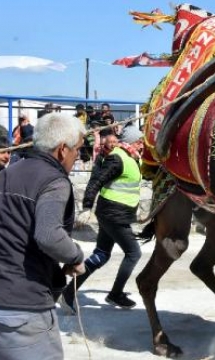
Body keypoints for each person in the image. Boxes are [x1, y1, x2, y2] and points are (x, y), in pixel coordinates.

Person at [0, 113, 86, 360]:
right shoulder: (54, 180)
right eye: (77, 150)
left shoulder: (3, 176)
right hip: (22, 312)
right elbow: (49, 235)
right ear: (62, 150)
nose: (78, 156)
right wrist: (74, 255)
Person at [60, 124, 144, 312]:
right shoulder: (117, 158)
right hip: (114, 215)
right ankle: (115, 294)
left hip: (114, 214)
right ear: (132, 142)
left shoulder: (133, 158)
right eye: (139, 141)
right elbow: (96, 181)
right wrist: (87, 206)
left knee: (101, 255)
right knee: (133, 253)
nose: (142, 145)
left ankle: (67, 293)